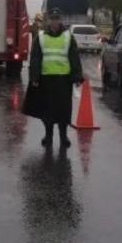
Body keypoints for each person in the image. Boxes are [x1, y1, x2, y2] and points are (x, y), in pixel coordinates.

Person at [22, 8, 84, 147]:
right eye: (52, 18)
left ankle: (64, 137)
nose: (55, 21)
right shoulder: (41, 36)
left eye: (57, 18)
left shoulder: (68, 36)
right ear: (49, 20)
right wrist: (34, 77)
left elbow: (74, 57)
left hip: (63, 80)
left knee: (63, 110)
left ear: (60, 20)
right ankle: (48, 136)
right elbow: (36, 58)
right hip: (46, 79)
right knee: (47, 111)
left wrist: (77, 77)